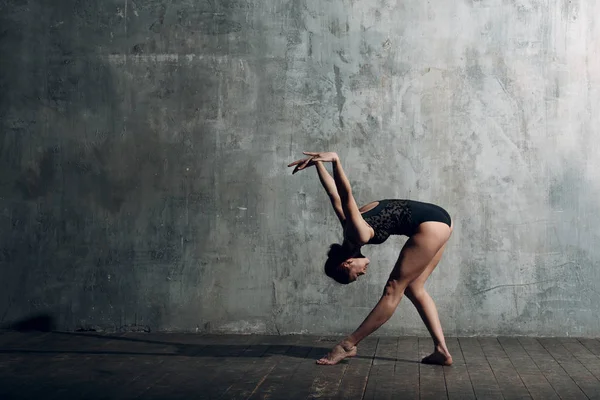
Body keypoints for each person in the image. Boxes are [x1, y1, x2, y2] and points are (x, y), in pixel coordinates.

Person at [288, 151, 454, 366]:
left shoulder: (358, 233)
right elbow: (333, 195)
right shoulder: (348, 228)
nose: (363, 273)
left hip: (431, 225)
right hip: (440, 221)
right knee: (414, 288)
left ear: (346, 262)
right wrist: (318, 163)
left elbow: (345, 194)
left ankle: (347, 345)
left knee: (393, 288)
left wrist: (336, 161)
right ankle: (442, 351)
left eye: (355, 274)